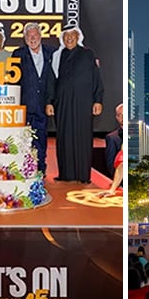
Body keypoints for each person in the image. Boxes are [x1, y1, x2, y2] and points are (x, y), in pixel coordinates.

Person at [46, 24, 103, 183]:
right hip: (62, 102)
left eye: (72, 35)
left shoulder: (88, 54)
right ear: (62, 38)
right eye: (66, 36)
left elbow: (96, 79)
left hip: (83, 102)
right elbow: (51, 81)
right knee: (64, 137)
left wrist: (98, 100)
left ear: (78, 37)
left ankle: (83, 175)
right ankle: (66, 174)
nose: (69, 38)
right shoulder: (58, 55)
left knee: (83, 137)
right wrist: (49, 102)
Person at [13, 22, 57, 174]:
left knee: (42, 138)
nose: (32, 39)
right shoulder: (18, 54)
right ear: (25, 39)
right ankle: (25, 168)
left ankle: (40, 168)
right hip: (25, 105)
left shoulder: (53, 52)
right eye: (29, 36)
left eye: (35, 35)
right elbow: (13, 80)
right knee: (24, 139)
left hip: (44, 105)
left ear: (40, 36)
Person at [105, 103, 123, 176]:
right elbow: (110, 164)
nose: (123, 117)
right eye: (120, 115)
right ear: (117, 117)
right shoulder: (112, 138)